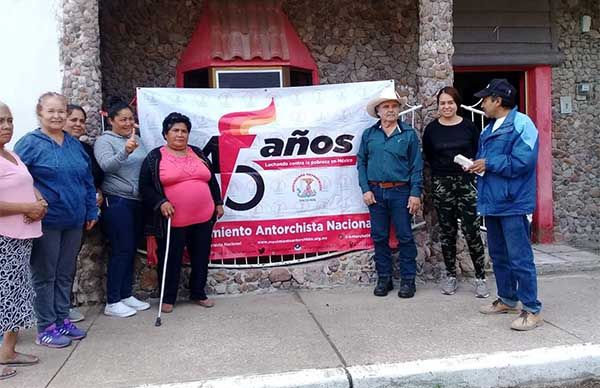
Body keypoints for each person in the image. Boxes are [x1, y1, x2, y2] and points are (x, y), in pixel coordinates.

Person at [14, 92, 97, 348]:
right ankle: (46, 326)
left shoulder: (73, 144)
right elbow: (16, 179)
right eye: (51, 111)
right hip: (46, 221)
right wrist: (31, 205)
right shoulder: (30, 143)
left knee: (64, 273)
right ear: (40, 113)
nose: (57, 116)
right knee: (45, 274)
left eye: (61, 111)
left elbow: (86, 179)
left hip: (73, 220)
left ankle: (62, 319)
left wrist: (91, 210)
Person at [467, 79, 542, 331]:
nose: (483, 103)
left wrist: (488, 162)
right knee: (499, 255)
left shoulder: (523, 124)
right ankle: (508, 299)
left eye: (485, 99)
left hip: (514, 203)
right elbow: (489, 161)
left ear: (497, 101)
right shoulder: (488, 129)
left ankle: (531, 309)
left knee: (520, 258)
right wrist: (477, 164)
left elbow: (524, 162)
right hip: (493, 202)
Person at [139, 112, 223, 313]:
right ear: (165, 134)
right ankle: (168, 297)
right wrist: (161, 202)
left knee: (201, 256)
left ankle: (198, 293)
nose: (180, 134)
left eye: (184, 131)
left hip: (203, 216)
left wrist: (218, 203)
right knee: (171, 258)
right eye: (175, 130)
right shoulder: (155, 157)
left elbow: (210, 179)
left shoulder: (197, 153)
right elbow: (145, 187)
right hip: (173, 219)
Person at [422, 87, 489, 298]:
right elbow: (429, 157)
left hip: (467, 182)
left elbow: (479, 152)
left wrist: (469, 166)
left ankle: (480, 278)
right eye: (442, 103)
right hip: (442, 183)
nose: (446, 107)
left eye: (450, 102)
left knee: (472, 230)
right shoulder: (432, 129)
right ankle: (451, 275)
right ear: (438, 105)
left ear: (457, 104)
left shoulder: (469, 127)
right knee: (447, 231)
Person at [357, 88, 423, 299]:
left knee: (405, 236)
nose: (391, 110)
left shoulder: (409, 134)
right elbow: (361, 163)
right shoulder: (369, 134)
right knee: (379, 237)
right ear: (378, 111)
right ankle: (384, 279)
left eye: (394, 106)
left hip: (401, 192)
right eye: (386, 106)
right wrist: (365, 189)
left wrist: (415, 193)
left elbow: (416, 166)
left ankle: (408, 281)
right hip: (376, 193)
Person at [94, 98, 150, 318]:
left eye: (131, 119)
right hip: (117, 201)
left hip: (137, 202)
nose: (128, 123)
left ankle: (126, 295)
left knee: (131, 249)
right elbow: (106, 165)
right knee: (121, 249)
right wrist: (125, 151)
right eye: (123, 119)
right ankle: (113, 300)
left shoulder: (138, 139)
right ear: (111, 120)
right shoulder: (103, 141)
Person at [0, 102, 43, 380]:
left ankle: (8, 351)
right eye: (0, 121)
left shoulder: (11, 155)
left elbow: (27, 184)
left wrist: (40, 201)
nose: (6, 126)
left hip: (20, 239)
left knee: (15, 296)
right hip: (3, 239)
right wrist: (26, 208)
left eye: (9, 120)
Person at [64, 104, 105, 323]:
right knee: (53, 265)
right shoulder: (47, 146)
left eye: (82, 121)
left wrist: (96, 195)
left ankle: (65, 305)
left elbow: (95, 178)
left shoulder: (86, 149)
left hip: (81, 215)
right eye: (74, 120)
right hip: (55, 217)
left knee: (69, 262)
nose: (79, 124)